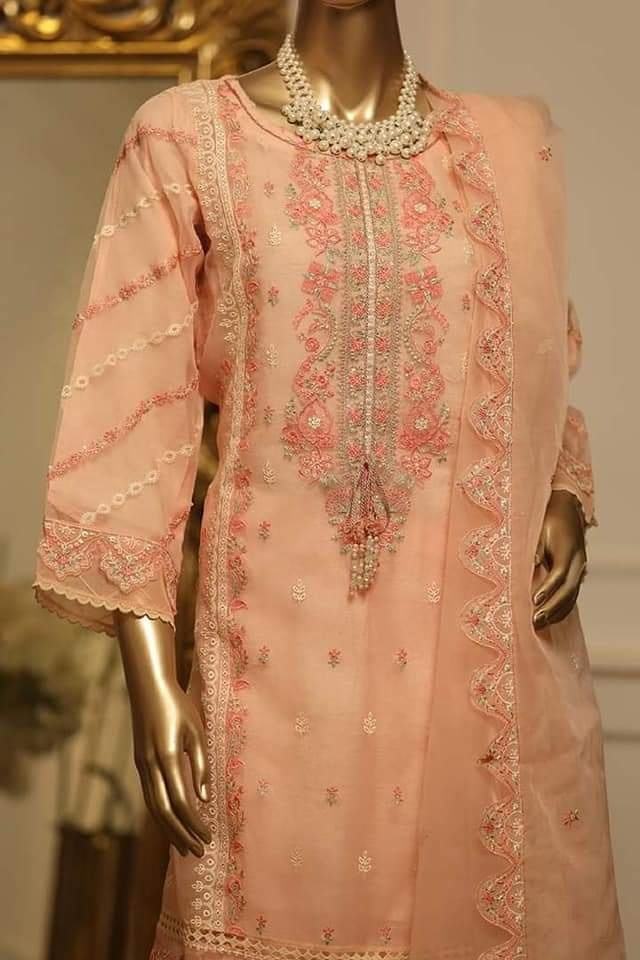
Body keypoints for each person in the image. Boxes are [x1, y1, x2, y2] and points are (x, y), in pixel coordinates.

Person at [33, 1, 626, 957]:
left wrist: (560, 484)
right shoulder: (186, 136)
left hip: (472, 659)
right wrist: (153, 679)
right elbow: (131, 411)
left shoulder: (508, 146)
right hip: (272, 659)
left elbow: (535, 359)